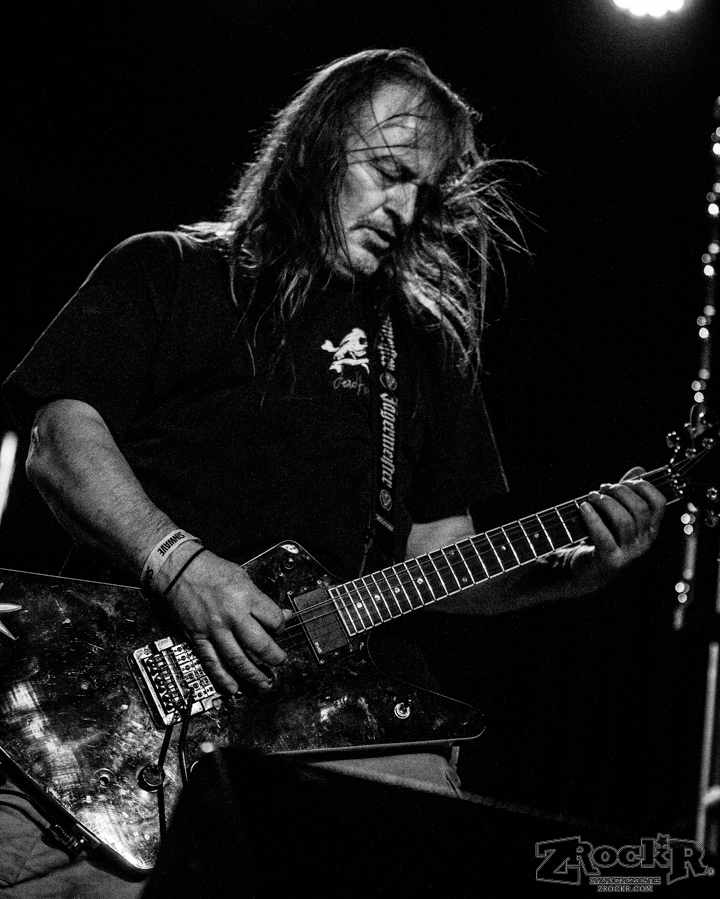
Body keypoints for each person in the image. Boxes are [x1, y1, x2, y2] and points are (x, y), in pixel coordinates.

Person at [0, 48, 665, 897]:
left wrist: (569, 572)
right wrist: (180, 564)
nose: (405, 210)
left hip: (344, 724)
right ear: (319, 144)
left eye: (424, 193)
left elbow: (438, 554)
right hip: (116, 701)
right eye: (390, 174)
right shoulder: (172, 268)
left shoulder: (423, 346)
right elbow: (60, 434)